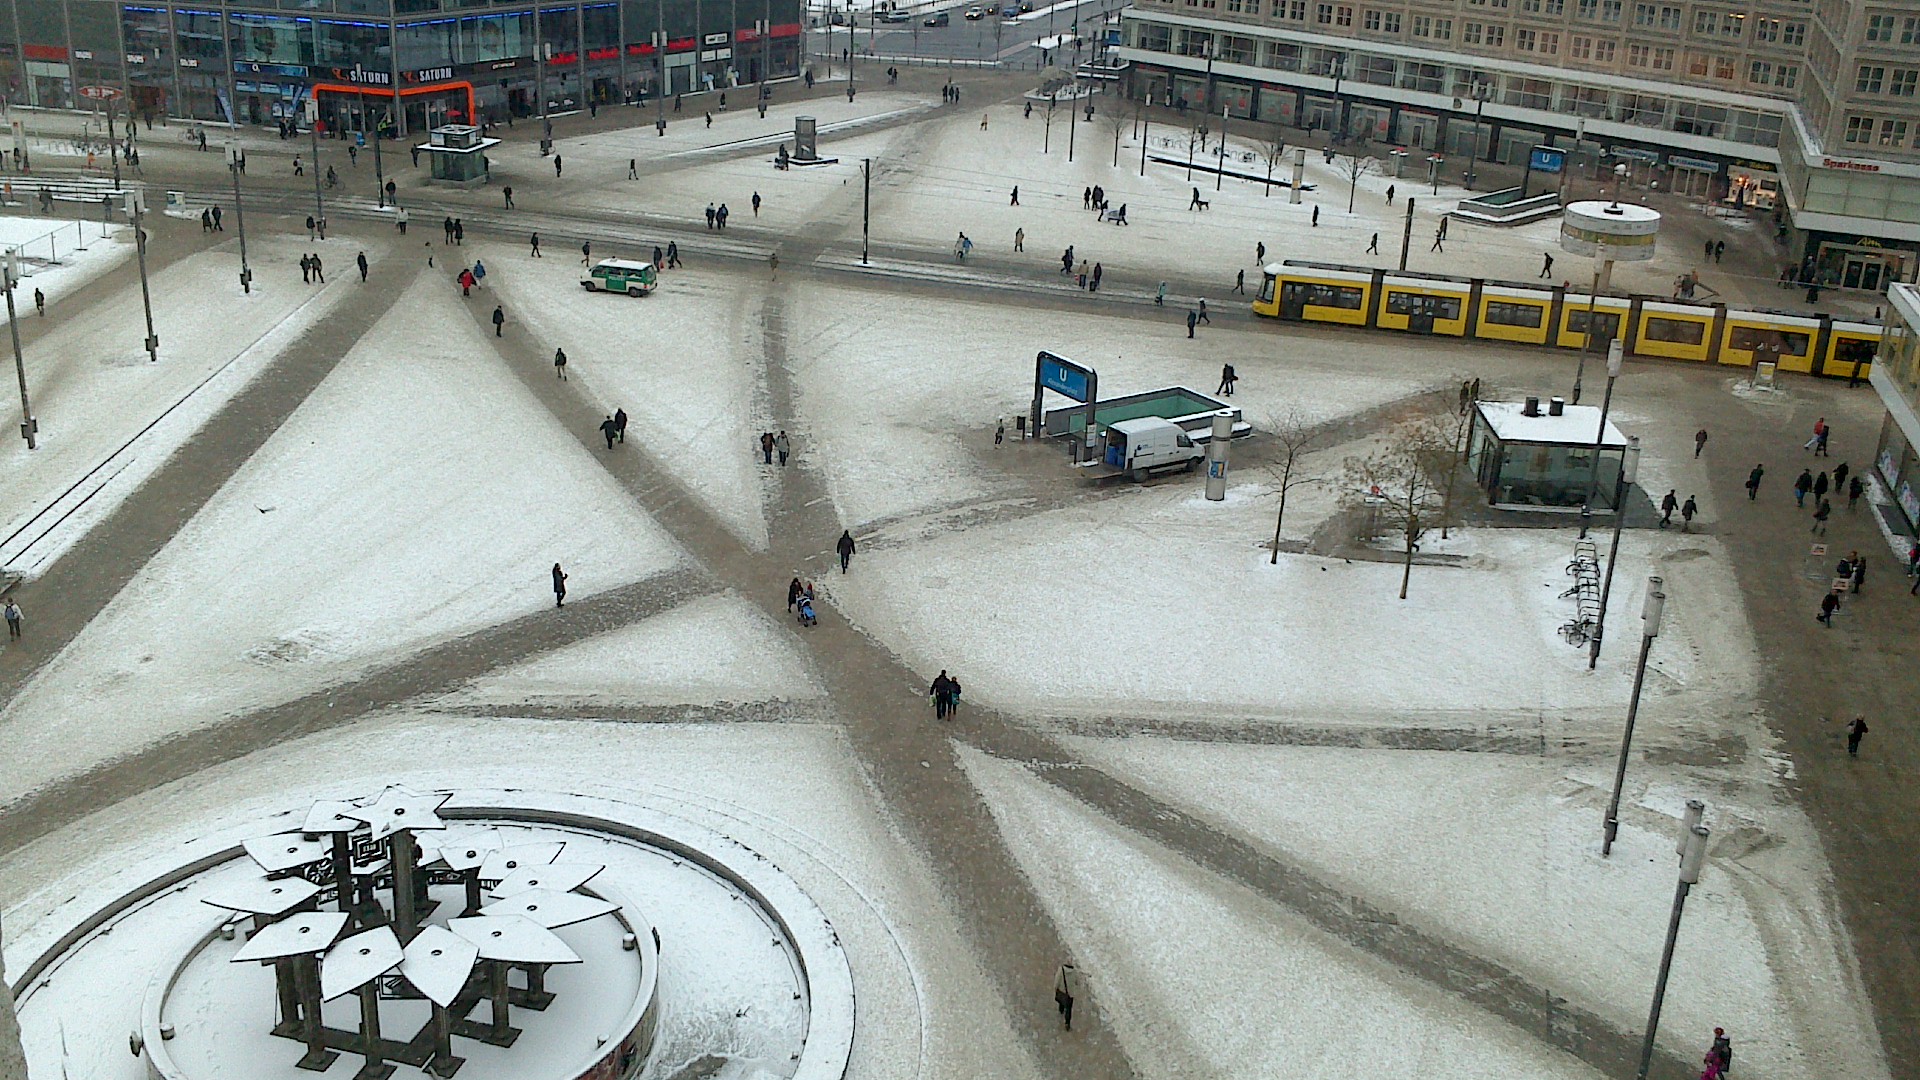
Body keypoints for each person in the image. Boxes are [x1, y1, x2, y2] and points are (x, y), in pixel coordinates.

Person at [1054, 963, 1081, 1031]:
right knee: (1069, 1009)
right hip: (1070, 994)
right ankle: (1067, 1023)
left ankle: (1061, 1010)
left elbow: (1057, 981)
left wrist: (1056, 988)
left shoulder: (1061, 970)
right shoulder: (1074, 972)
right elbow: (1078, 982)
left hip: (1062, 991)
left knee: (1061, 1002)